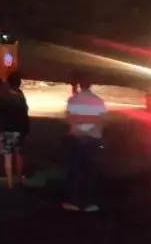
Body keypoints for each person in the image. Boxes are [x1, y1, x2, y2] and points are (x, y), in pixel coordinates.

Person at [63, 79, 107, 212]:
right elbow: (102, 120)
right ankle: (89, 202)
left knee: (75, 171)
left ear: (80, 85)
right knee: (90, 172)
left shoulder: (73, 100)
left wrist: (79, 126)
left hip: (76, 138)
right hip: (93, 138)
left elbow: (69, 118)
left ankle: (73, 201)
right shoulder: (99, 101)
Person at [0, 72, 30, 189]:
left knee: (8, 156)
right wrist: (26, 130)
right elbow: (25, 115)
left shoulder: (3, 98)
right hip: (19, 130)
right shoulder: (21, 98)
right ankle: (19, 179)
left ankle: (9, 183)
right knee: (19, 155)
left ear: (8, 84)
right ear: (19, 84)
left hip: (6, 130)